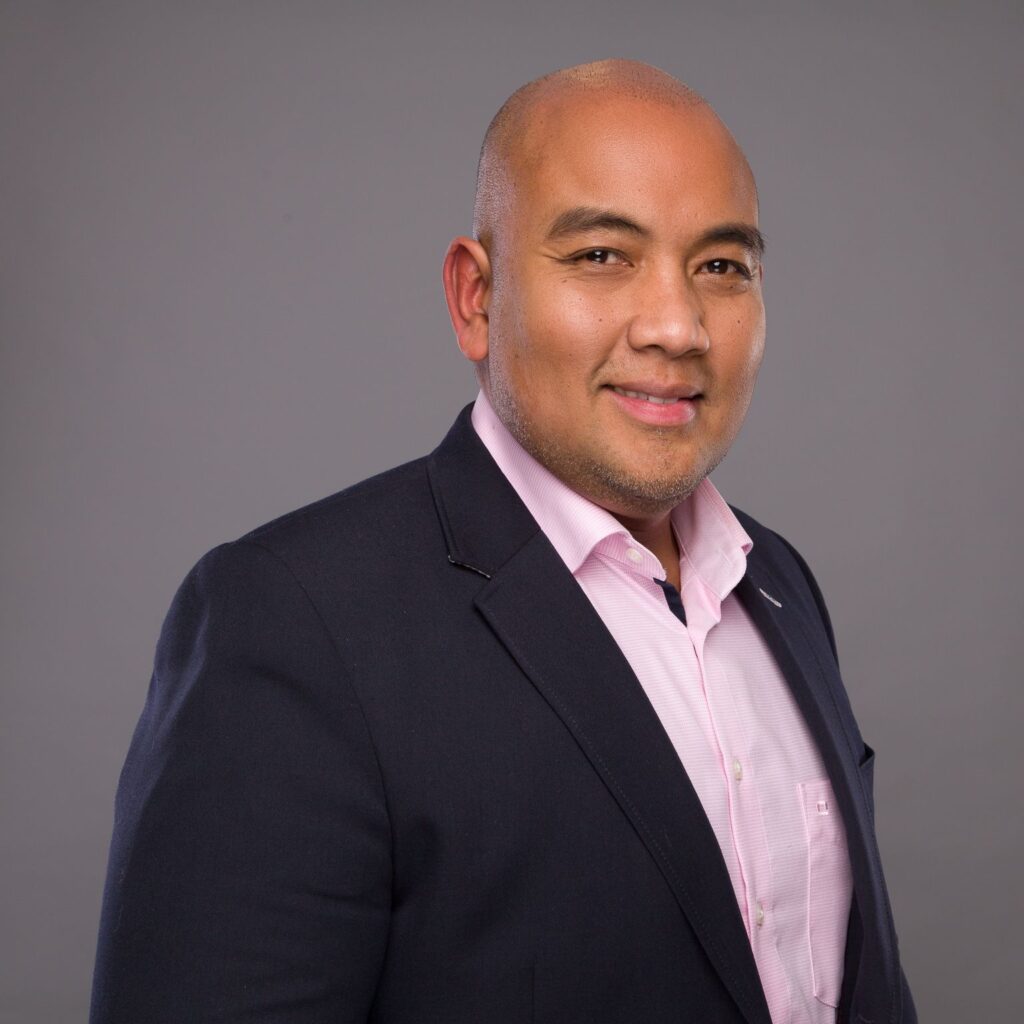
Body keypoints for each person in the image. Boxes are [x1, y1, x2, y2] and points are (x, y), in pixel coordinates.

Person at [90, 59, 916, 1024]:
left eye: (722, 267)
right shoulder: (292, 624)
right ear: (476, 299)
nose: (677, 326)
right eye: (602, 255)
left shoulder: (775, 581)